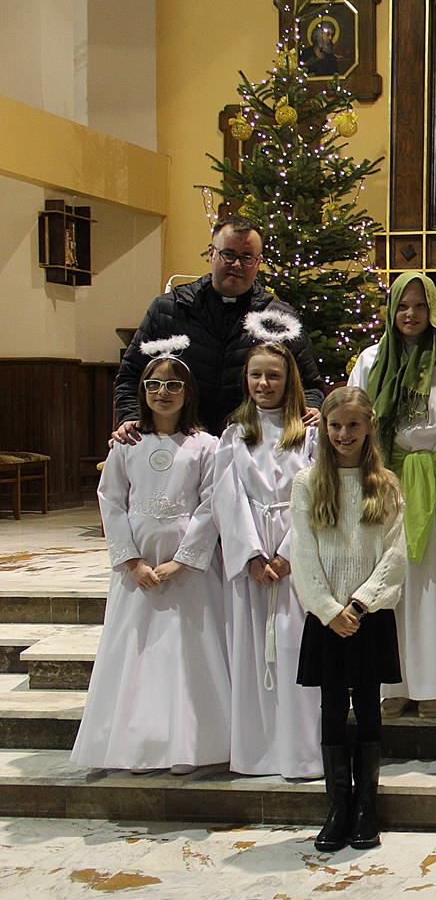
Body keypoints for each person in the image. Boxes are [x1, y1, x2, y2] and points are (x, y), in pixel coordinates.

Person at [71, 341, 229, 773]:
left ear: (188, 392)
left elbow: (211, 503)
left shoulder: (205, 445)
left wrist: (185, 559)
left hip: (187, 571)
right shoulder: (127, 444)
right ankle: (134, 745)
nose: (163, 392)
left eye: (173, 385)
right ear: (142, 390)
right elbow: (111, 501)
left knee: (185, 655)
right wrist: (131, 561)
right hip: (138, 570)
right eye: (154, 384)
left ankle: (190, 745)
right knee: (137, 654)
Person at [349, 273, 436, 720]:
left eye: (419, 306)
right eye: (402, 306)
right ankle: (393, 684)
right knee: (391, 586)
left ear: (433, 309)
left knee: (433, 587)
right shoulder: (371, 360)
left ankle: (434, 685)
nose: (410, 315)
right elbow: (353, 419)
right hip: (386, 481)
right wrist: (359, 481)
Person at [290, 387, 407, 854]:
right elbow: (303, 553)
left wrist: (359, 605)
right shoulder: (307, 483)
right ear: (324, 428)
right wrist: (327, 609)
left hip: (367, 616)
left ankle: (365, 808)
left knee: (370, 707)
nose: (343, 434)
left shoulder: (386, 484)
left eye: (353, 425)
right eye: (335, 425)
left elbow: (395, 554)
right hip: (327, 619)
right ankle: (337, 807)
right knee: (333, 708)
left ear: (369, 426)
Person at [113, 217, 324, 443]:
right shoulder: (169, 309)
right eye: (228, 254)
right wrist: (131, 417)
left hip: (251, 444)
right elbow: (130, 375)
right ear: (211, 253)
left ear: (258, 262)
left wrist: (312, 408)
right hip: (179, 443)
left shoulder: (280, 319)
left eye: (247, 257)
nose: (237, 265)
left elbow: (310, 386)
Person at [214, 339, 321, 779]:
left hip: (296, 555)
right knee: (253, 653)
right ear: (245, 379)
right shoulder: (234, 434)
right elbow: (225, 497)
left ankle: (301, 754)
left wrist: (289, 552)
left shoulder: (309, 433)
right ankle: (256, 753)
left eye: (273, 376)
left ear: (289, 380)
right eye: (256, 375)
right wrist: (253, 556)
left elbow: (320, 494)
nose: (263, 383)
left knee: (295, 650)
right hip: (253, 558)